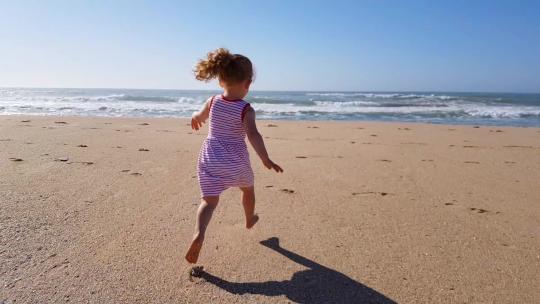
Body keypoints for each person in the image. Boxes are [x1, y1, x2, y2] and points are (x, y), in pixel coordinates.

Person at [185, 48, 283, 264]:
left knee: (208, 201)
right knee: (248, 189)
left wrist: (194, 116)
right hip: (235, 160)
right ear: (247, 84)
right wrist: (265, 159)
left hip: (211, 157)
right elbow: (253, 135)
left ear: (221, 81)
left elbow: (199, 116)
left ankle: (199, 234)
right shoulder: (246, 109)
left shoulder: (212, 102)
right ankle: (249, 219)